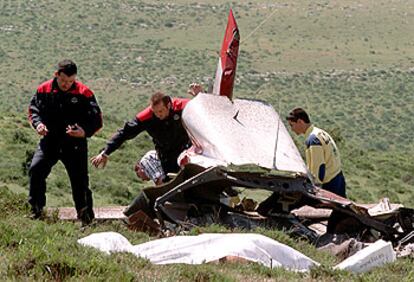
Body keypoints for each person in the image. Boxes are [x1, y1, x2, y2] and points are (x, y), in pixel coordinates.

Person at [28, 59, 103, 224]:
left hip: (75, 143)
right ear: (56, 75)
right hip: (50, 140)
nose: (66, 84)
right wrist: (38, 124)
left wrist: (84, 131)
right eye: (63, 80)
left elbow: (97, 119)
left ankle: (86, 218)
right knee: (36, 169)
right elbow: (33, 111)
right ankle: (36, 212)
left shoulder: (84, 93)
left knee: (80, 182)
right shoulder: (43, 89)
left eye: (70, 81)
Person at [91, 88, 199, 182]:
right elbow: (124, 133)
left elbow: (205, 111)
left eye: (161, 111)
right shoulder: (147, 116)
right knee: (172, 183)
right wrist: (106, 152)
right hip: (166, 154)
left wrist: (200, 95)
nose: (158, 115)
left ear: (169, 105)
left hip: (188, 150)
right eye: (155, 112)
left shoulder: (183, 106)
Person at [286, 108, 346, 197]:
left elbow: (318, 169)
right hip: (338, 177)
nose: (292, 129)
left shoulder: (313, 140)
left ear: (300, 122)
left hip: (330, 185)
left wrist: (316, 190)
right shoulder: (319, 132)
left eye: (292, 125)